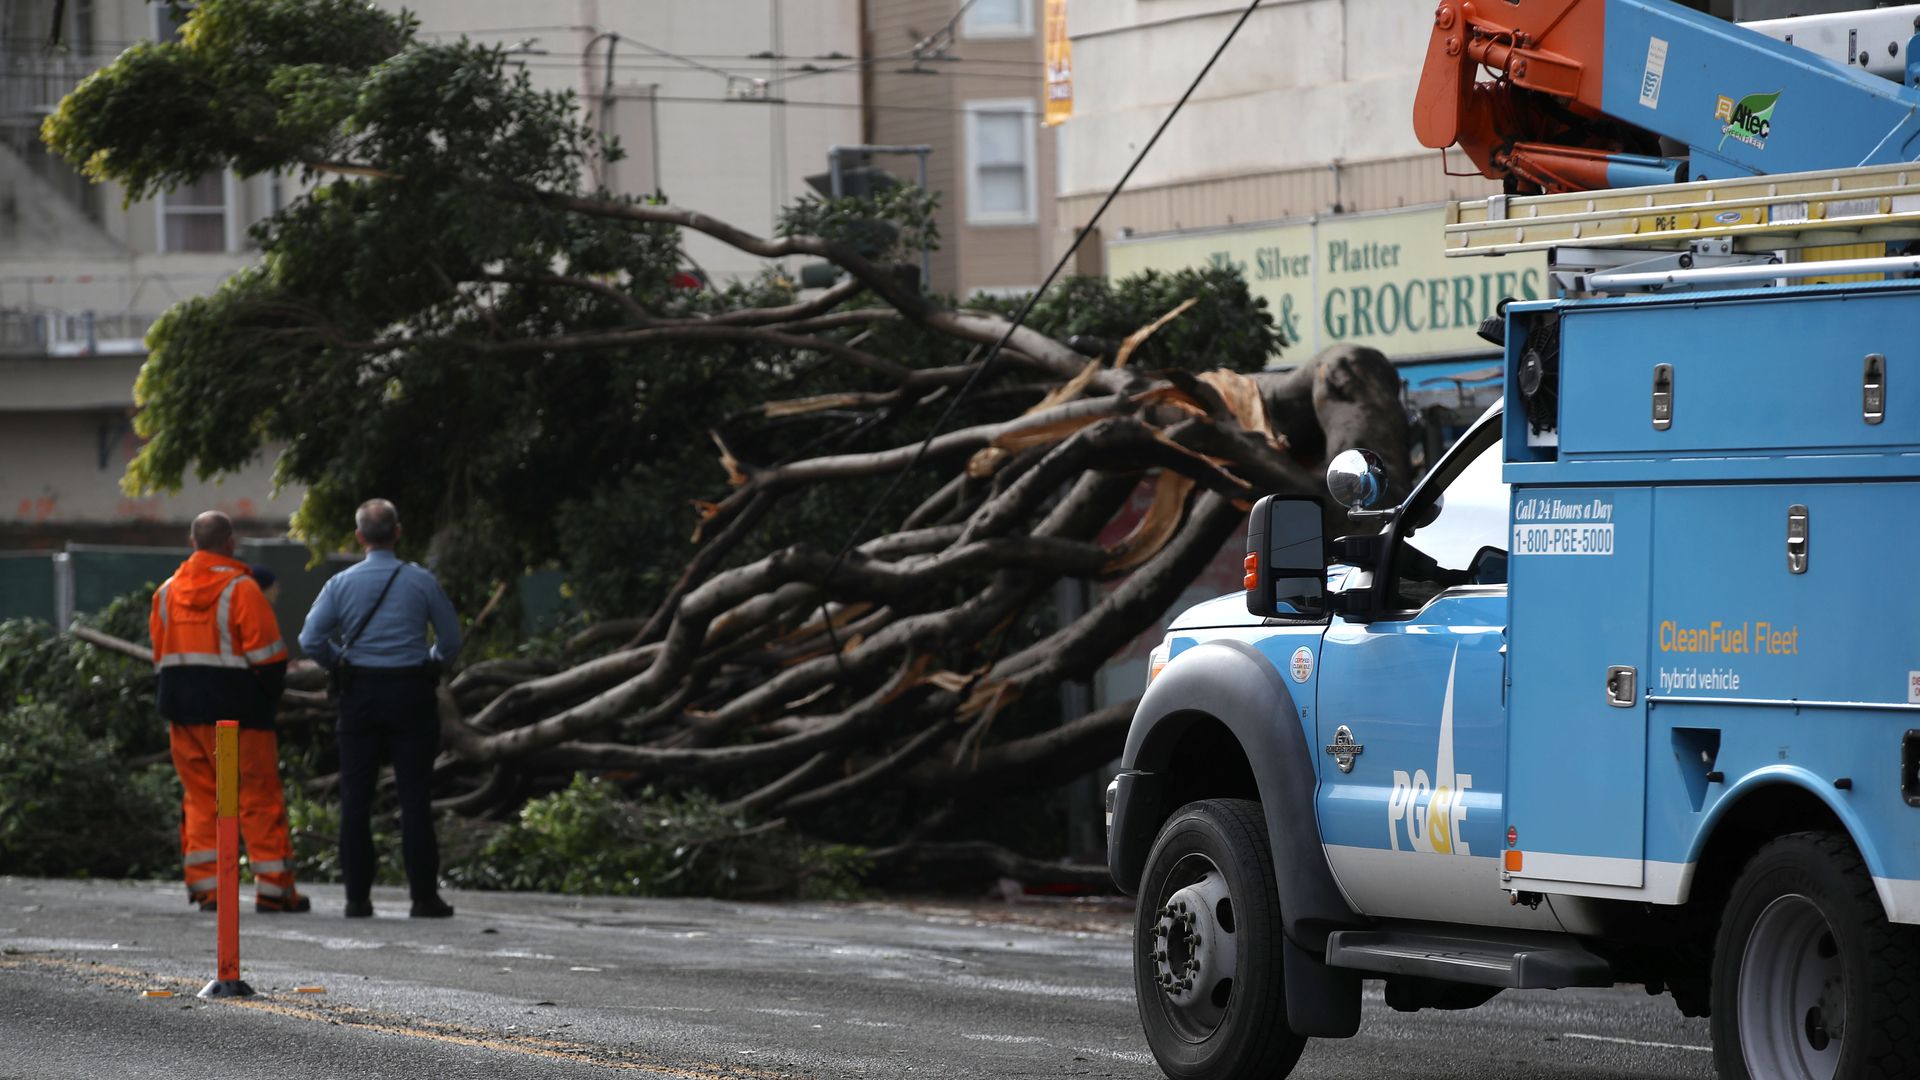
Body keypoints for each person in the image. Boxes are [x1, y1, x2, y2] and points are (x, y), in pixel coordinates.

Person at [298, 499, 462, 919]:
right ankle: (423, 898)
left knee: (356, 798)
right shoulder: (421, 581)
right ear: (398, 533)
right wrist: (430, 661)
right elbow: (450, 640)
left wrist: (339, 661)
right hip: (411, 693)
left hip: (360, 695)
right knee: (415, 797)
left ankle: (357, 899)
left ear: (359, 537)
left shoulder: (340, 583)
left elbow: (310, 639)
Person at [149, 511, 309, 913]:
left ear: (193, 542)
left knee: (202, 798)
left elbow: (161, 656)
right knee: (256, 797)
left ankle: (209, 889)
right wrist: (269, 697)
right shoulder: (243, 590)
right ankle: (274, 889)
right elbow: (269, 658)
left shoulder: (166, 592)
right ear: (230, 543)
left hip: (184, 713)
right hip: (240, 715)